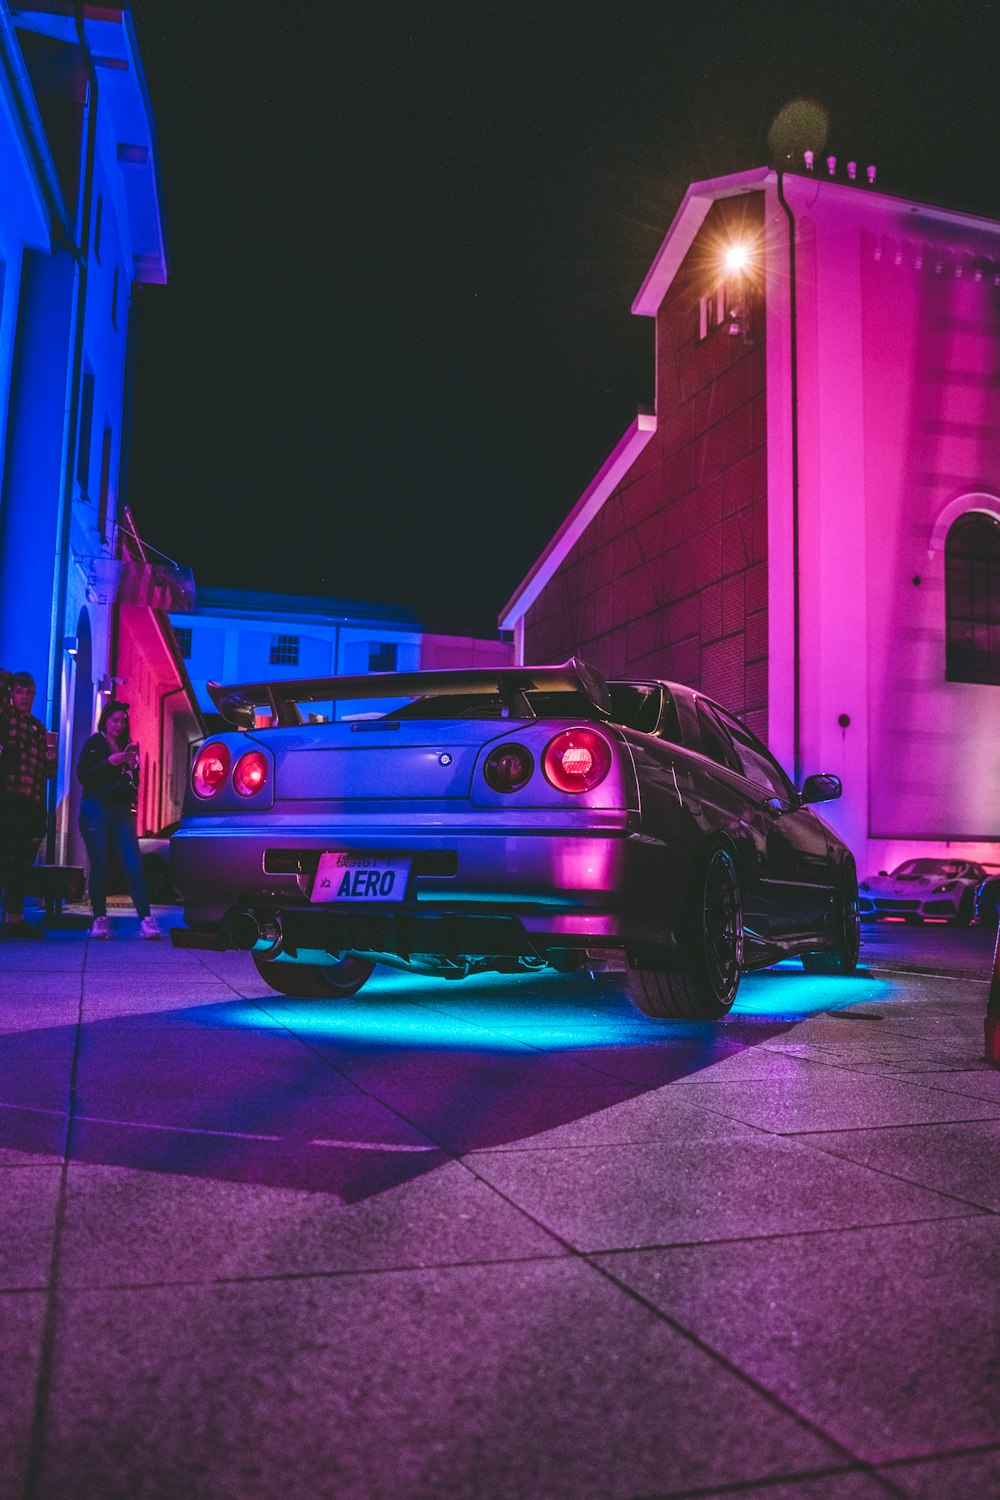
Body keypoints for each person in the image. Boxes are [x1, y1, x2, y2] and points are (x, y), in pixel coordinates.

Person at [77, 701, 160, 939]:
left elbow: (135, 783)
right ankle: (99, 919)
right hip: (96, 806)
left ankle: (146, 919)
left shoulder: (127, 745)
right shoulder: (95, 743)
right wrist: (110, 762)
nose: (119, 725)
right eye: (115, 720)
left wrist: (132, 768)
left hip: (121, 808)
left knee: (133, 861)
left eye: (123, 721)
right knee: (100, 862)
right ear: (106, 720)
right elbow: (83, 775)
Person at [0, 670, 58, 939]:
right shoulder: (5, 718)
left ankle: (14, 918)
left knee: (22, 863)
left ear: (34, 695)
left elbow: (48, 772)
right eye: (19, 692)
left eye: (28, 692)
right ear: (12, 694)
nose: (24, 697)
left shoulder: (38, 728)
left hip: (31, 802)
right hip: (7, 797)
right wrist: (8, 680)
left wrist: (51, 752)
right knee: (3, 858)